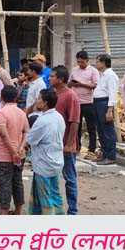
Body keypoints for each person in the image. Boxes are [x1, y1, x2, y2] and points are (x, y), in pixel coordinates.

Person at [26, 89, 66, 215]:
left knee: (46, 196)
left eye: (39, 98)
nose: (37, 101)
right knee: (54, 193)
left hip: (44, 163)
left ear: (45, 103)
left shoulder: (42, 121)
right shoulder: (59, 117)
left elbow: (31, 140)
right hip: (56, 161)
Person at [0, 85, 29, 215]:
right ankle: (18, 211)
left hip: (4, 156)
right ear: (16, 97)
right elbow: (26, 132)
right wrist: (20, 149)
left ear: (2, 97)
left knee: (4, 185)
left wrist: (13, 152)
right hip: (20, 154)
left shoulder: (1, 113)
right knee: (17, 182)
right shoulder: (21, 113)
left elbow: (3, 135)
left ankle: (4, 212)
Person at [50, 66, 81, 215]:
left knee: (70, 178)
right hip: (53, 143)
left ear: (61, 79)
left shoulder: (70, 96)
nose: (50, 78)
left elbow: (74, 121)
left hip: (65, 145)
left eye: (52, 76)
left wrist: (69, 144)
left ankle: (73, 211)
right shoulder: (53, 94)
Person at [70, 51, 100, 161]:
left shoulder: (93, 71)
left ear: (87, 61)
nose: (80, 64)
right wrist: (72, 84)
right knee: (76, 126)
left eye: (82, 62)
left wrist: (81, 84)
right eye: (78, 62)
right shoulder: (74, 70)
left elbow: (95, 85)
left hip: (89, 102)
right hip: (76, 102)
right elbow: (69, 83)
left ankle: (91, 149)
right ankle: (77, 147)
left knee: (91, 127)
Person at [93, 54, 119, 164]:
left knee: (108, 131)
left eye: (98, 62)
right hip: (97, 102)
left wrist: (109, 110)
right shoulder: (102, 75)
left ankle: (111, 156)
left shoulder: (110, 75)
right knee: (101, 130)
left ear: (103, 63)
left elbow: (112, 93)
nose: (96, 64)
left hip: (104, 103)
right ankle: (104, 154)